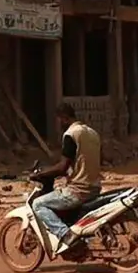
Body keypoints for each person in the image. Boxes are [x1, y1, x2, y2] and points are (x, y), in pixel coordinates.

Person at [29, 103, 103, 261]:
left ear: (63, 118)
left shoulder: (71, 134)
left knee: (38, 204)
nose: (58, 124)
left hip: (79, 190)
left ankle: (66, 235)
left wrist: (42, 173)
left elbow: (63, 167)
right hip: (95, 187)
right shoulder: (92, 133)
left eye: (59, 120)